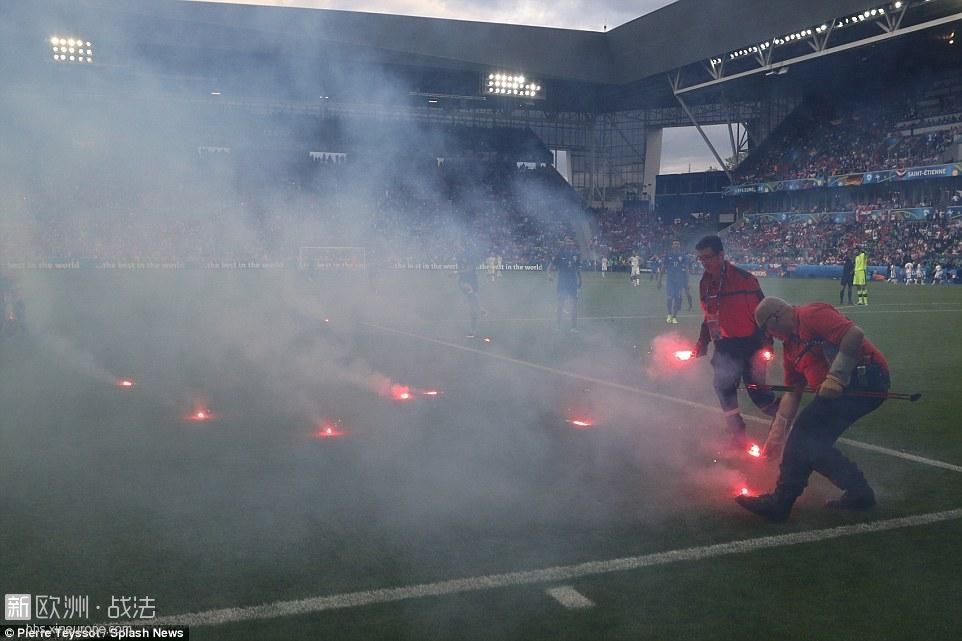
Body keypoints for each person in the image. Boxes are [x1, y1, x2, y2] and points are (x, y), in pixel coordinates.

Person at [737, 296, 889, 522]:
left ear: (776, 317)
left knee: (805, 436)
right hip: (838, 394)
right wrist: (776, 436)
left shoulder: (810, 314)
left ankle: (780, 503)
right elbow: (792, 392)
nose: (770, 335)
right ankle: (859, 492)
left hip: (865, 382)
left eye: (768, 329)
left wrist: (837, 377)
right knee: (811, 444)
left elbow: (854, 334)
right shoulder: (790, 348)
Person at [693, 235, 778, 450]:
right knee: (723, 388)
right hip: (725, 346)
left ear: (721, 255)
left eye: (708, 258)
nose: (704, 263)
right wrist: (703, 342)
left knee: (759, 394)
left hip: (751, 344)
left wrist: (767, 346)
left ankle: (784, 422)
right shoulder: (704, 284)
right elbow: (709, 315)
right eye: (700, 259)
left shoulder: (746, 280)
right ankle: (737, 434)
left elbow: (763, 314)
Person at [550, 238, 582, 331]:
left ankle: (573, 327)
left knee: (574, 305)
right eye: (567, 241)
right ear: (564, 243)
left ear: (573, 243)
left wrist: (580, 280)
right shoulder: (560, 254)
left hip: (573, 282)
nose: (569, 243)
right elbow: (552, 265)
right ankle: (558, 325)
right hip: (562, 282)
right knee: (560, 304)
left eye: (570, 241)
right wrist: (550, 274)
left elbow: (577, 268)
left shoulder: (577, 254)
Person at [657, 239, 692, 324]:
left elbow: (686, 269)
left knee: (677, 299)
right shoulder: (668, 255)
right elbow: (663, 268)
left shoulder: (683, 256)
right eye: (674, 244)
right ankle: (669, 314)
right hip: (670, 281)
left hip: (679, 281)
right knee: (669, 298)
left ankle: (674, 317)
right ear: (672, 246)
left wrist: (687, 282)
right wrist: (659, 280)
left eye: (677, 244)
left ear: (679, 246)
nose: (676, 245)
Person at [456, 244, 482, 338]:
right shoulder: (459, 258)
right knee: (472, 300)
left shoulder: (469, 257)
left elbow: (470, 269)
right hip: (464, 281)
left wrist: (457, 272)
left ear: (463, 248)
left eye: (459, 247)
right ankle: (480, 308)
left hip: (472, 282)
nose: (458, 249)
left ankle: (473, 331)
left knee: (472, 306)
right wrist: (460, 279)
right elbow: (461, 271)